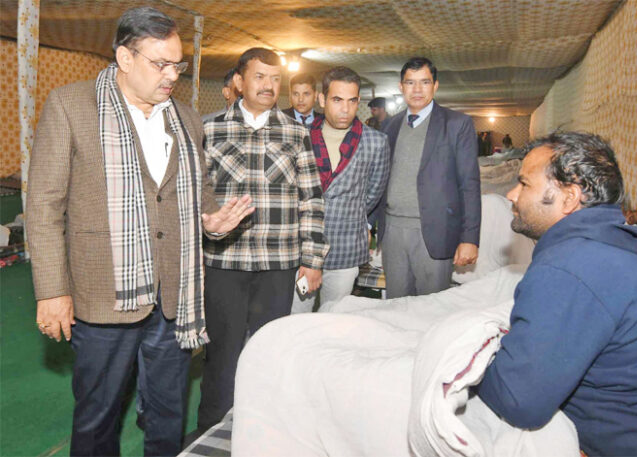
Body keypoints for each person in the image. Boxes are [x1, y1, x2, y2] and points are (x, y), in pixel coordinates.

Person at [26, 7, 254, 456]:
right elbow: (44, 205)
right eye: (160, 64)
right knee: (98, 416)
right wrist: (52, 291)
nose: (171, 75)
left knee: (168, 413)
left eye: (177, 65)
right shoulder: (71, 106)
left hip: (173, 298)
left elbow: (198, 195)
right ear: (124, 58)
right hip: (102, 295)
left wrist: (211, 221)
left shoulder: (186, 118)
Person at [476, 132, 637, 456]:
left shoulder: (572, 266)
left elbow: (518, 400)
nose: (511, 194)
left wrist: (475, 371)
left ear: (569, 197)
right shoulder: (610, 242)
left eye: (524, 183)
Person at [198, 47, 328, 429]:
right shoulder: (209, 129)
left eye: (275, 79)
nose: (269, 85)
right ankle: (213, 434)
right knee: (221, 356)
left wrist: (312, 259)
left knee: (269, 352)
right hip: (225, 263)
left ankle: (263, 432)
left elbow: (311, 199)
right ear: (239, 82)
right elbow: (195, 196)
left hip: (278, 265)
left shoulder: (296, 133)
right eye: (259, 77)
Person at [378, 57, 481, 298]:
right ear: (401, 87)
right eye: (410, 83)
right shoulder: (390, 126)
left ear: (435, 86)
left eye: (424, 82)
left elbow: (469, 184)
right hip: (392, 232)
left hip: (435, 231)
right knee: (395, 305)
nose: (417, 89)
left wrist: (469, 238)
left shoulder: (457, 124)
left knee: (432, 307)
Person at [292, 67, 390, 313]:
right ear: (322, 99)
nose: (345, 109)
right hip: (301, 246)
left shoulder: (376, 142)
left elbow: (374, 193)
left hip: (346, 246)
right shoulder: (299, 137)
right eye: (337, 100)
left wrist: (352, 217)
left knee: (334, 319)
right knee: (295, 319)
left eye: (352, 101)